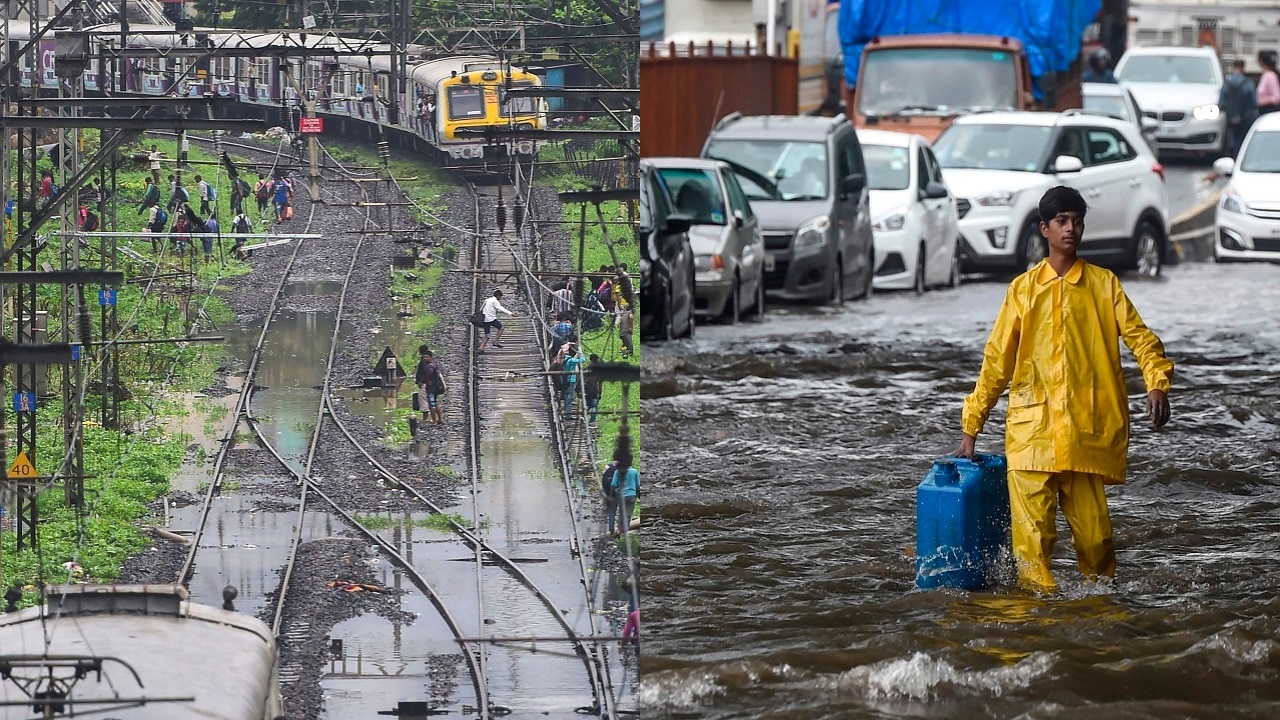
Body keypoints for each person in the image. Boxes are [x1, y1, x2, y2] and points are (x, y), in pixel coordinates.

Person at [957, 186, 1173, 595]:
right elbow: (996, 363)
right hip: (1030, 435)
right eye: (1062, 222)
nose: (1070, 228)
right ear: (1045, 229)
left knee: (1097, 544)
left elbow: (1141, 339)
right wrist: (972, 428)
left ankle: (1095, 622)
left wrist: (1156, 383)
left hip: (1083, 436)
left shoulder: (1103, 285)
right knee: (1032, 549)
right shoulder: (1022, 290)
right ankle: (1041, 631)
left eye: (1076, 221)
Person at [1220, 59, 1259, 159]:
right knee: (1244, 138)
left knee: (1233, 137)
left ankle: (1233, 156)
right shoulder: (1248, 83)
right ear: (1243, 68)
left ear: (1233, 68)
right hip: (1246, 117)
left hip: (1231, 116)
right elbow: (1254, 103)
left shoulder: (1227, 83)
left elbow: (1222, 102)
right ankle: (1242, 157)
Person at [414, 345, 445, 425]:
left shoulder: (427, 365)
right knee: (435, 403)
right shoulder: (434, 364)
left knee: (427, 403)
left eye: (426, 357)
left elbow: (426, 376)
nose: (425, 358)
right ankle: (440, 419)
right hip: (434, 387)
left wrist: (421, 382)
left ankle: (429, 419)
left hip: (428, 387)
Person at [610, 461, 640, 539]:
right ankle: (625, 533)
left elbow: (613, 485)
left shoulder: (618, 471)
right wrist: (639, 495)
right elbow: (638, 485)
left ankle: (619, 531)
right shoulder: (634, 472)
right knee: (628, 514)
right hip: (632, 495)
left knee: (621, 513)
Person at [478, 289, 514, 353]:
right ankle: (495, 341)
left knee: (487, 335)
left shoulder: (487, 300)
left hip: (485, 320)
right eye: (500, 297)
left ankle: (481, 348)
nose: (500, 298)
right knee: (501, 328)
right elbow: (500, 308)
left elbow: (481, 309)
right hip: (491, 319)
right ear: (498, 296)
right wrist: (510, 313)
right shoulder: (495, 301)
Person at [561, 342, 582, 415]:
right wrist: (580, 352)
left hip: (566, 379)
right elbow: (583, 360)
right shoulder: (572, 360)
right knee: (570, 396)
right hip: (571, 379)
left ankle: (567, 411)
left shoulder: (565, 358)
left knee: (567, 396)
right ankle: (568, 413)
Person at [1257, 50, 1280, 115]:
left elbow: (1276, 97)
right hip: (1262, 110)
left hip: (1269, 110)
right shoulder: (1265, 75)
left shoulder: (1271, 76)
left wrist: (1263, 102)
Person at [601, 460, 620, 535]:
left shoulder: (607, 472)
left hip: (610, 494)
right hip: (621, 494)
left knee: (611, 512)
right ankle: (620, 529)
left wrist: (607, 496)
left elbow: (604, 485)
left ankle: (611, 530)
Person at [584, 353, 602, 427]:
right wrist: (600, 392)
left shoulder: (587, 368)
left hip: (587, 390)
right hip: (595, 390)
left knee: (587, 405)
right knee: (594, 406)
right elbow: (600, 382)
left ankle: (583, 417)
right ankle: (591, 422)